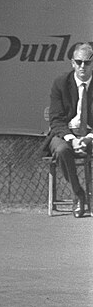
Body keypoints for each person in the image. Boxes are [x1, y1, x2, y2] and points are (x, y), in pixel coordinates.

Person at [45, 42, 93, 218]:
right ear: (72, 63)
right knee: (61, 149)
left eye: (87, 62)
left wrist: (88, 138)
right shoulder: (60, 83)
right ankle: (79, 194)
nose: (82, 66)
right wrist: (72, 139)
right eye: (78, 62)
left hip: (90, 135)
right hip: (64, 134)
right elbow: (55, 119)